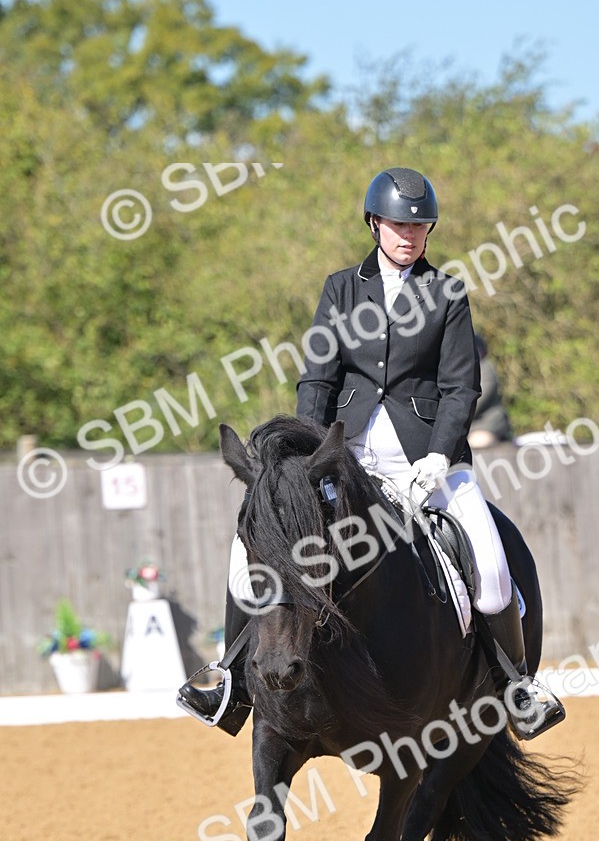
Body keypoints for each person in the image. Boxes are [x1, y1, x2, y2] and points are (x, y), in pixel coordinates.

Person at [179, 167, 539, 735]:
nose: (410, 235)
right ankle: (232, 682)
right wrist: (304, 457)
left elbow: (459, 388)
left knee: (492, 566)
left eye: (420, 227)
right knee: (247, 550)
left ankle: (517, 686)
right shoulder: (340, 289)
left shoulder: (446, 293)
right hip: (344, 459)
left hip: (427, 460)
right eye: (399, 224)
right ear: (374, 223)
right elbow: (318, 380)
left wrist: (441, 456)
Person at [468, 334, 512, 448]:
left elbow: (479, 400)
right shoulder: (468, 370)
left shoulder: (486, 368)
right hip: (472, 425)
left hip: (488, 424)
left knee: (475, 443)